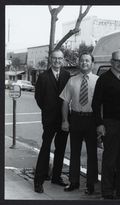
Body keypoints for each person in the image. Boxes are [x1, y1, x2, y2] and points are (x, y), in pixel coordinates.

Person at [92, 49, 120, 199]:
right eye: (118, 61)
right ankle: (107, 190)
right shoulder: (104, 79)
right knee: (110, 159)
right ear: (112, 62)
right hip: (111, 124)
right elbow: (96, 104)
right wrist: (99, 124)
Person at [60, 52, 98, 194]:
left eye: (87, 61)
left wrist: (100, 124)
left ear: (92, 63)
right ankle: (74, 182)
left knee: (92, 153)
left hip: (92, 120)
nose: (84, 63)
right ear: (79, 63)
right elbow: (65, 102)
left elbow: (101, 105)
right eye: (82, 60)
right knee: (74, 152)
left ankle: (90, 184)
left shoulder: (98, 80)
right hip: (75, 118)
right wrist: (65, 120)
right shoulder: (72, 80)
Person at [34, 49, 70, 193]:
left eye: (60, 59)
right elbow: (38, 98)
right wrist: (48, 110)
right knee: (46, 148)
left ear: (63, 60)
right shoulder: (43, 76)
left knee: (60, 148)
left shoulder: (67, 75)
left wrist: (65, 117)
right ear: (50, 59)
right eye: (54, 58)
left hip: (64, 119)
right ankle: (39, 180)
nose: (57, 61)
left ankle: (56, 176)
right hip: (49, 119)